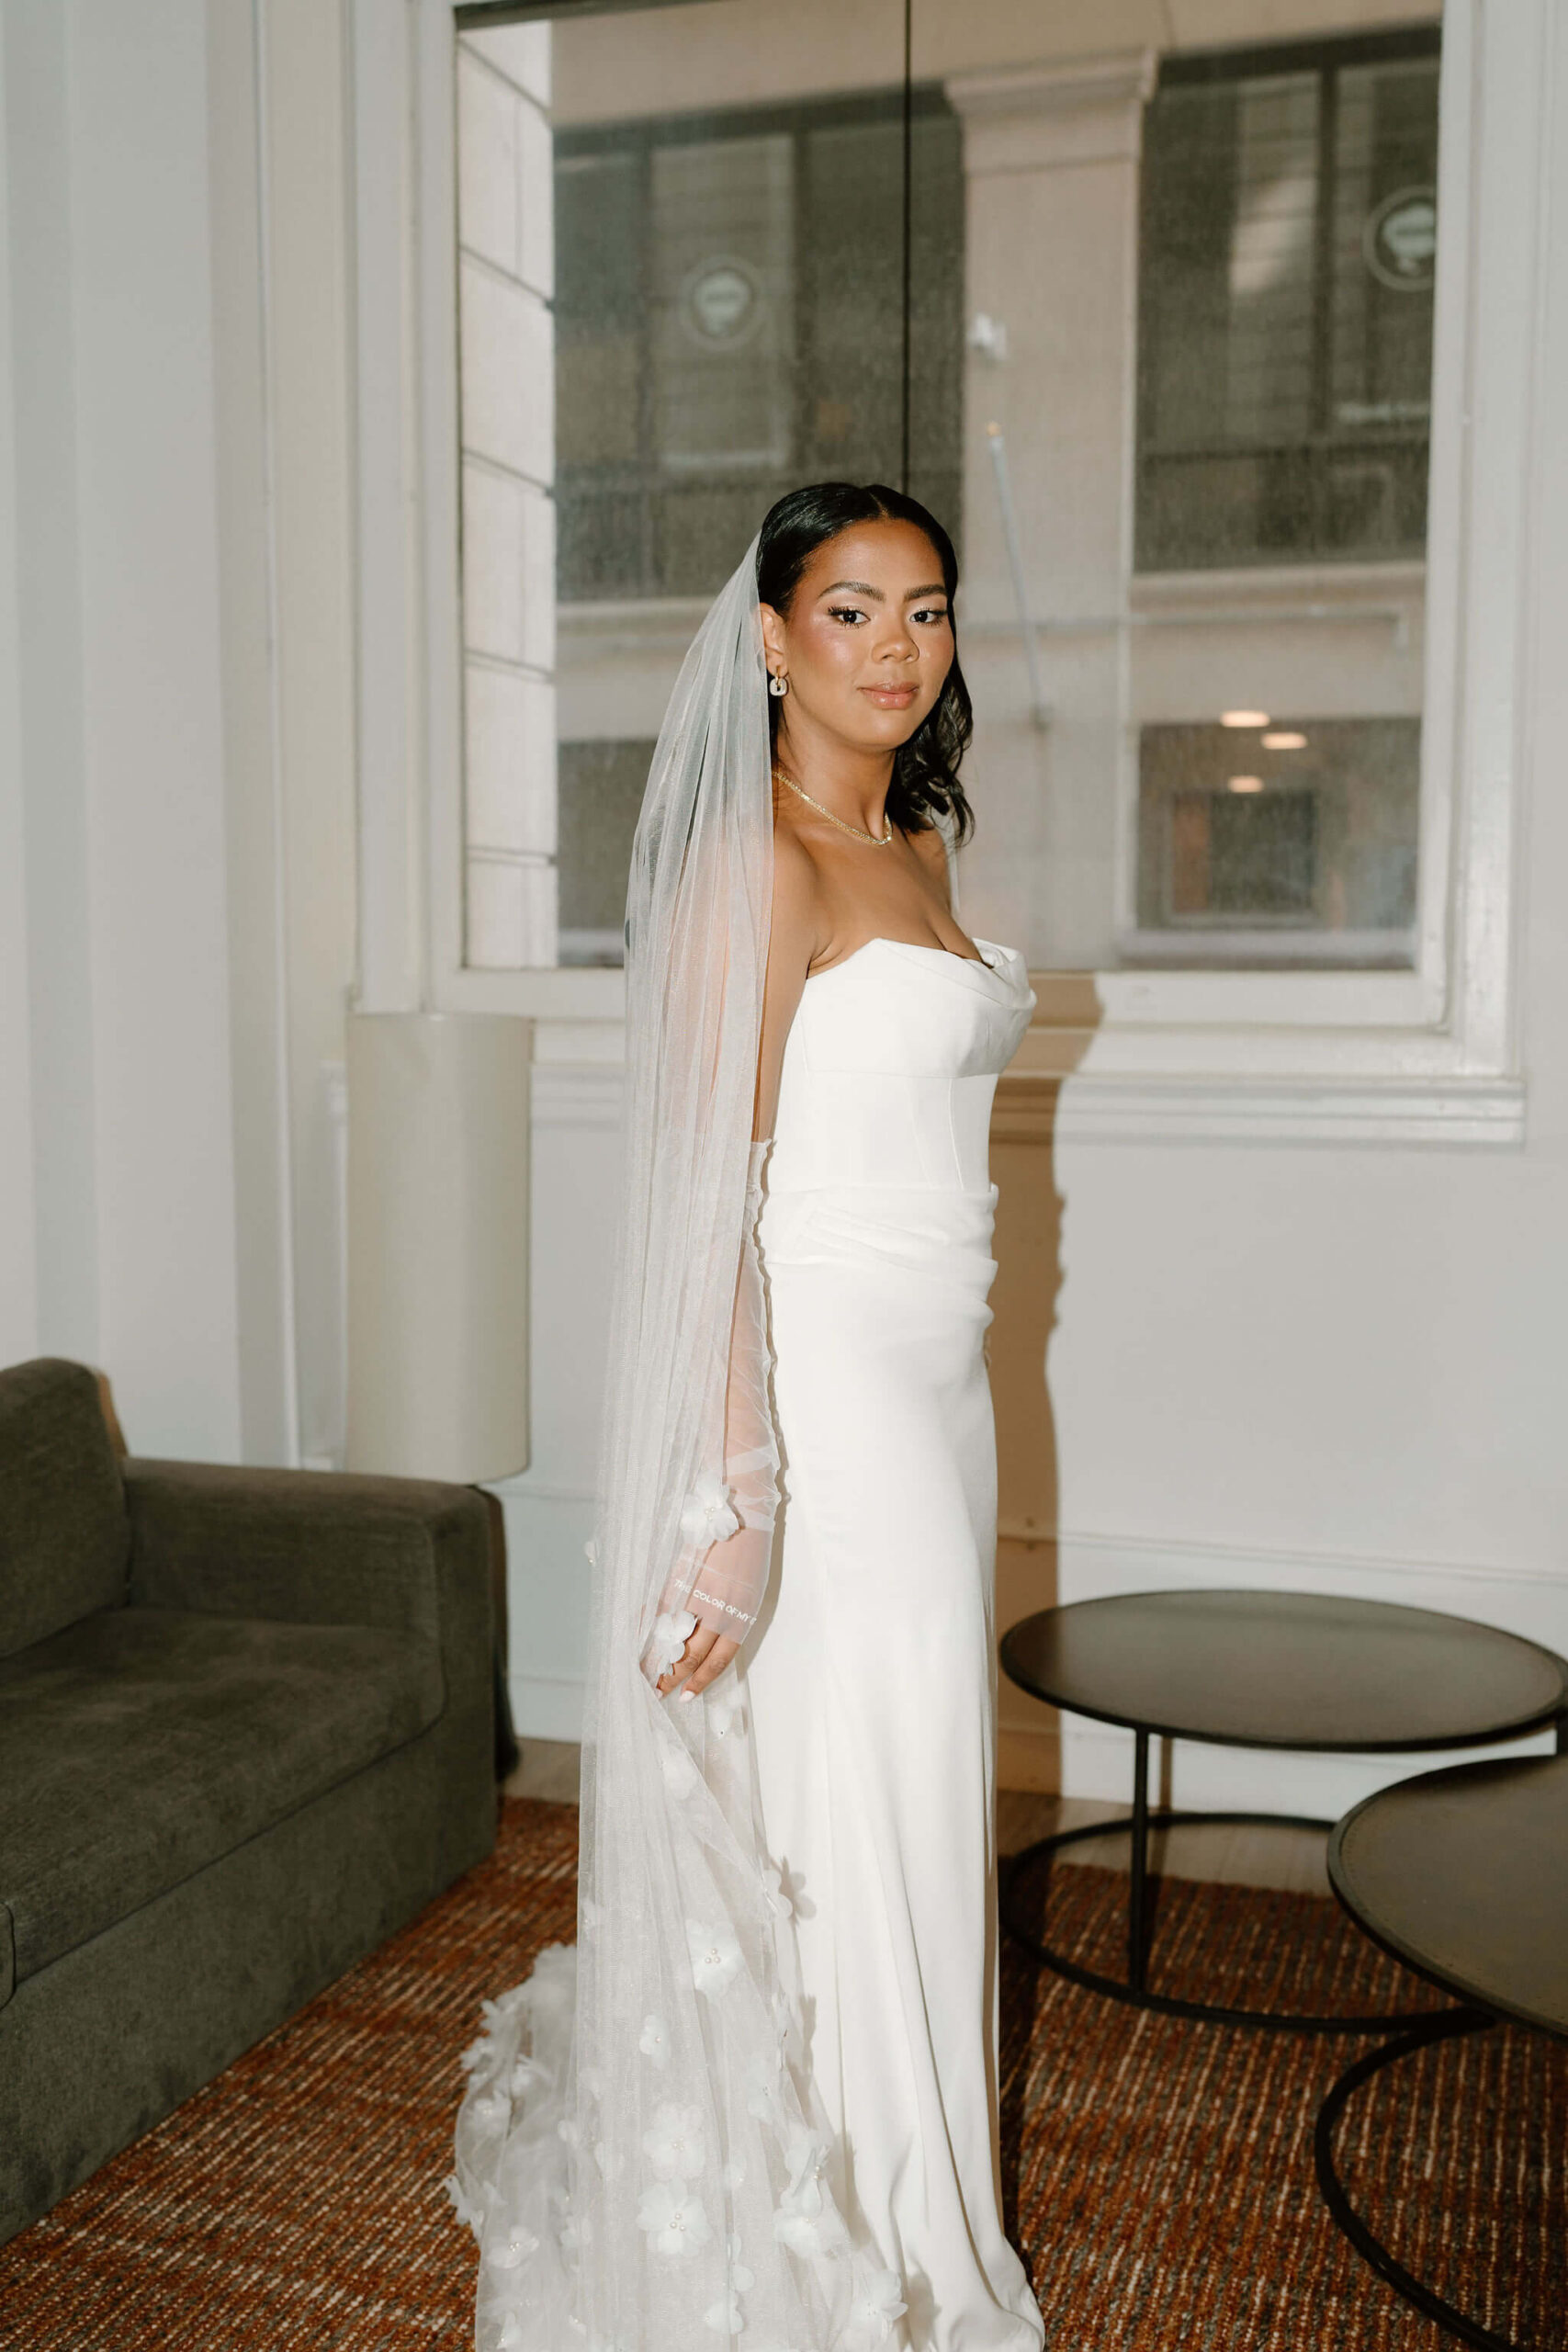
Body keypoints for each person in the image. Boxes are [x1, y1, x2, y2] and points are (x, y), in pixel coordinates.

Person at [448, 483, 1044, 2352]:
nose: (894, 646)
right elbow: (707, 1200)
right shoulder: (752, 865)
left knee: (910, 1786)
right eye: (850, 609)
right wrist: (738, 1486)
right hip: (826, 1408)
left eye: (924, 609)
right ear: (770, 638)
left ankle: (898, 2198)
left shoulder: (919, 851)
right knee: (855, 1796)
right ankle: (871, 2250)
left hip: (943, 1390)